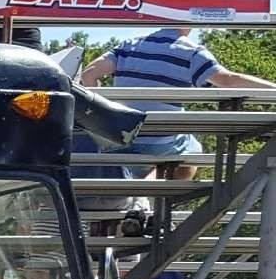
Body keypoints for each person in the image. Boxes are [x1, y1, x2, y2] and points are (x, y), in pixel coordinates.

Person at [79, 28, 276, 180]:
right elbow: (227, 80)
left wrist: (104, 114)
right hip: (161, 142)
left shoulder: (128, 46)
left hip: (120, 139)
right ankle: (147, 203)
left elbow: (89, 74)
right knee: (191, 148)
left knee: (161, 153)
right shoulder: (191, 51)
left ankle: (138, 202)